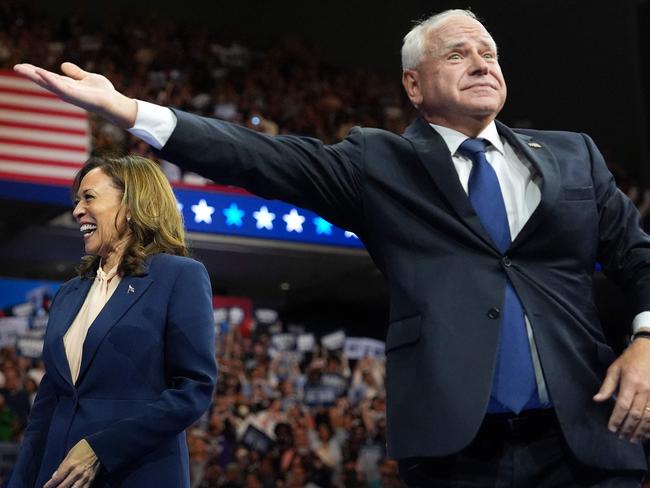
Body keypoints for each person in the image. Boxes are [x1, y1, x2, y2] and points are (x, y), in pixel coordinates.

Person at [14, 8, 650, 486]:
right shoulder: (382, 163)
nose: (484, 62)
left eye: (489, 52)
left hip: (591, 438)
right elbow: (260, 156)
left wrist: (646, 343)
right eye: (458, 54)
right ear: (413, 84)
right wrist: (130, 111)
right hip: (459, 453)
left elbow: (638, 258)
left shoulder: (574, 154)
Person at [8, 156, 217, 487]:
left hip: (136, 474)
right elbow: (46, 410)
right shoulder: (68, 293)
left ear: (132, 204)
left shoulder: (179, 276)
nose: (78, 211)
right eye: (77, 201)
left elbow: (194, 389)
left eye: (89, 197)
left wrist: (100, 449)